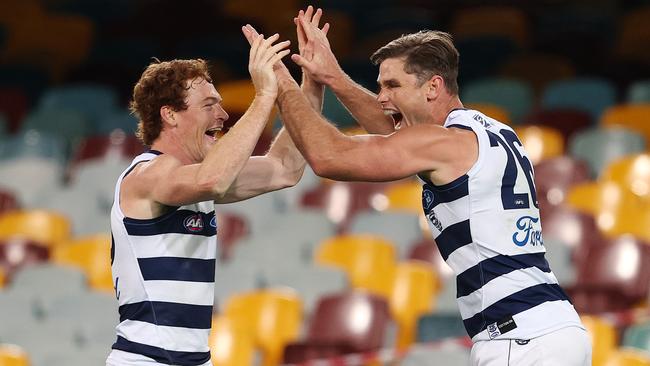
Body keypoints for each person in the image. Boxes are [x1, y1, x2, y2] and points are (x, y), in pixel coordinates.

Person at [253, 6, 592, 365]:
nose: (382, 97)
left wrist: (281, 82)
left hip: (518, 338)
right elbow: (396, 135)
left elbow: (328, 157)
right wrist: (334, 77)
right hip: (555, 329)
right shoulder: (490, 131)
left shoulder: (445, 144)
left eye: (392, 85)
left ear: (433, 87)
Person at [106, 24, 324, 365]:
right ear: (170, 115)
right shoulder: (148, 174)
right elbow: (214, 181)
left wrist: (311, 83)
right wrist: (264, 96)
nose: (222, 115)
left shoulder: (194, 179)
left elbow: (285, 168)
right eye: (209, 105)